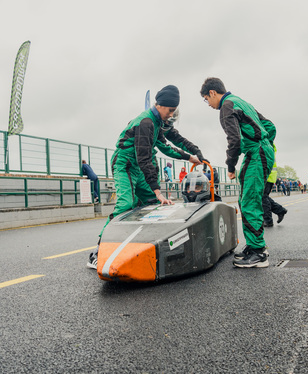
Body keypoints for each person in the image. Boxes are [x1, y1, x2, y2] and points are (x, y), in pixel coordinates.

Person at [87, 85, 204, 269]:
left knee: (151, 204)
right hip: (125, 163)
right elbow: (143, 159)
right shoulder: (146, 123)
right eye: (170, 111)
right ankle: (98, 251)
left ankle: (139, 246)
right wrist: (158, 190)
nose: (171, 116)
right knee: (126, 203)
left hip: (138, 166)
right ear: (161, 105)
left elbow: (168, 146)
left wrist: (192, 156)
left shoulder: (158, 124)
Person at [200, 77, 275, 268]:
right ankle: (255, 246)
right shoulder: (242, 102)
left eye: (206, 99)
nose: (208, 104)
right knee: (245, 199)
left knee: (249, 201)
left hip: (256, 153)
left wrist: (231, 166)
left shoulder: (226, 106)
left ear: (212, 93)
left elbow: (234, 140)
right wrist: (267, 144)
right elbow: (270, 126)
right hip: (259, 151)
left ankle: (259, 253)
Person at [262, 145, 287, 228]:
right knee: (263, 197)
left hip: (267, 176)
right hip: (269, 175)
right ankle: (280, 210)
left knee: (263, 197)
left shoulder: (266, 145)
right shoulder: (270, 145)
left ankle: (268, 220)